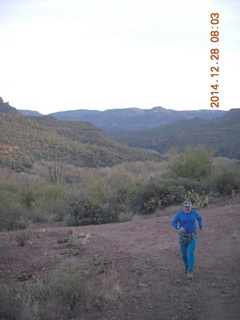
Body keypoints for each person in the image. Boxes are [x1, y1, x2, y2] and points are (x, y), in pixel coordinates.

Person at [172, 200, 203, 279]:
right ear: (183, 207)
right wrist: (179, 227)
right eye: (186, 207)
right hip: (183, 237)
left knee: (190, 253)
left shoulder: (195, 213)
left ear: (191, 207)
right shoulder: (179, 214)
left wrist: (200, 225)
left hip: (192, 236)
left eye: (188, 207)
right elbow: (174, 223)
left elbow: (199, 218)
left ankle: (190, 271)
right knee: (184, 255)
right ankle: (186, 266)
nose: (187, 208)